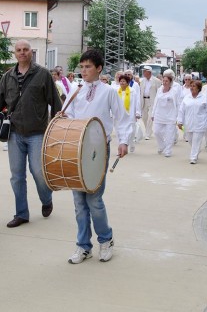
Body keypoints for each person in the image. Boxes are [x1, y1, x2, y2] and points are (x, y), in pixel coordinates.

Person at [62, 49, 131, 264]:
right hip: (77, 149)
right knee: (78, 201)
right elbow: (69, 116)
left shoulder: (109, 92)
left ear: (99, 68)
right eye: (81, 67)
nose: (84, 71)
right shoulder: (76, 91)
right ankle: (83, 246)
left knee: (94, 199)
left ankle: (106, 240)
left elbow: (123, 118)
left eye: (88, 66)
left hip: (99, 149)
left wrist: (124, 140)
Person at [0, 39, 63, 228]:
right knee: (17, 176)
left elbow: (55, 102)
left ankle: (46, 199)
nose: (22, 52)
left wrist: (58, 126)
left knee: (38, 172)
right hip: (14, 133)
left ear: (31, 53)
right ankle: (21, 214)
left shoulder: (43, 74)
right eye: (18, 50)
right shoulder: (7, 77)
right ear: (14, 53)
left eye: (26, 50)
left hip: (37, 132)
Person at [177, 80, 207, 164]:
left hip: (200, 123)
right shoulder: (187, 98)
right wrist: (180, 121)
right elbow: (181, 110)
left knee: (196, 140)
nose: (191, 88)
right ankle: (197, 149)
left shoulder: (204, 98)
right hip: (189, 123)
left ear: (199, 88)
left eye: (194, 86)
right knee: (190, 140)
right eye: (191, 86)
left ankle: (193, 157)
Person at [151, 75, 179, 157]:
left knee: (169, 134)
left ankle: (168, 151)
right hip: (159, 115)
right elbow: (156, 101)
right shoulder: (160, 90)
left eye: (166, 81)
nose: (164, 82)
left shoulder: (174, 91)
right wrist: (153, 113)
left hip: (170, 116)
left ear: (170, 82)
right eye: (163, 81)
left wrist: (178, 116)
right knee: (156, 132)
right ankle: (162, 145)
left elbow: (178, 104)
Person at [117, 74, 141, 153]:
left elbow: (137, 102)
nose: (122, 83)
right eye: (121, 81)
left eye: (124, 81)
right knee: (120, 130)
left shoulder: (132, 91)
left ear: (127, 82)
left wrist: (137, 112)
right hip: (120, 114)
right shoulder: (117, 91)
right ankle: (122, 145)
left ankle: (131, 143)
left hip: (130, 113)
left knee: (131, 130)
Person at [139, 65, 162, 140]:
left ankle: (147, 133)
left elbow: (159, 92)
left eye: (145, 71)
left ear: (149, 72)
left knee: (150, 117)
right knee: (144, 117)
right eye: (143, 71)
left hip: (152, 100)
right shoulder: (142, 81)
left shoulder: (156, 81)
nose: (143, 73)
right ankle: (148, 130)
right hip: (144, 100)